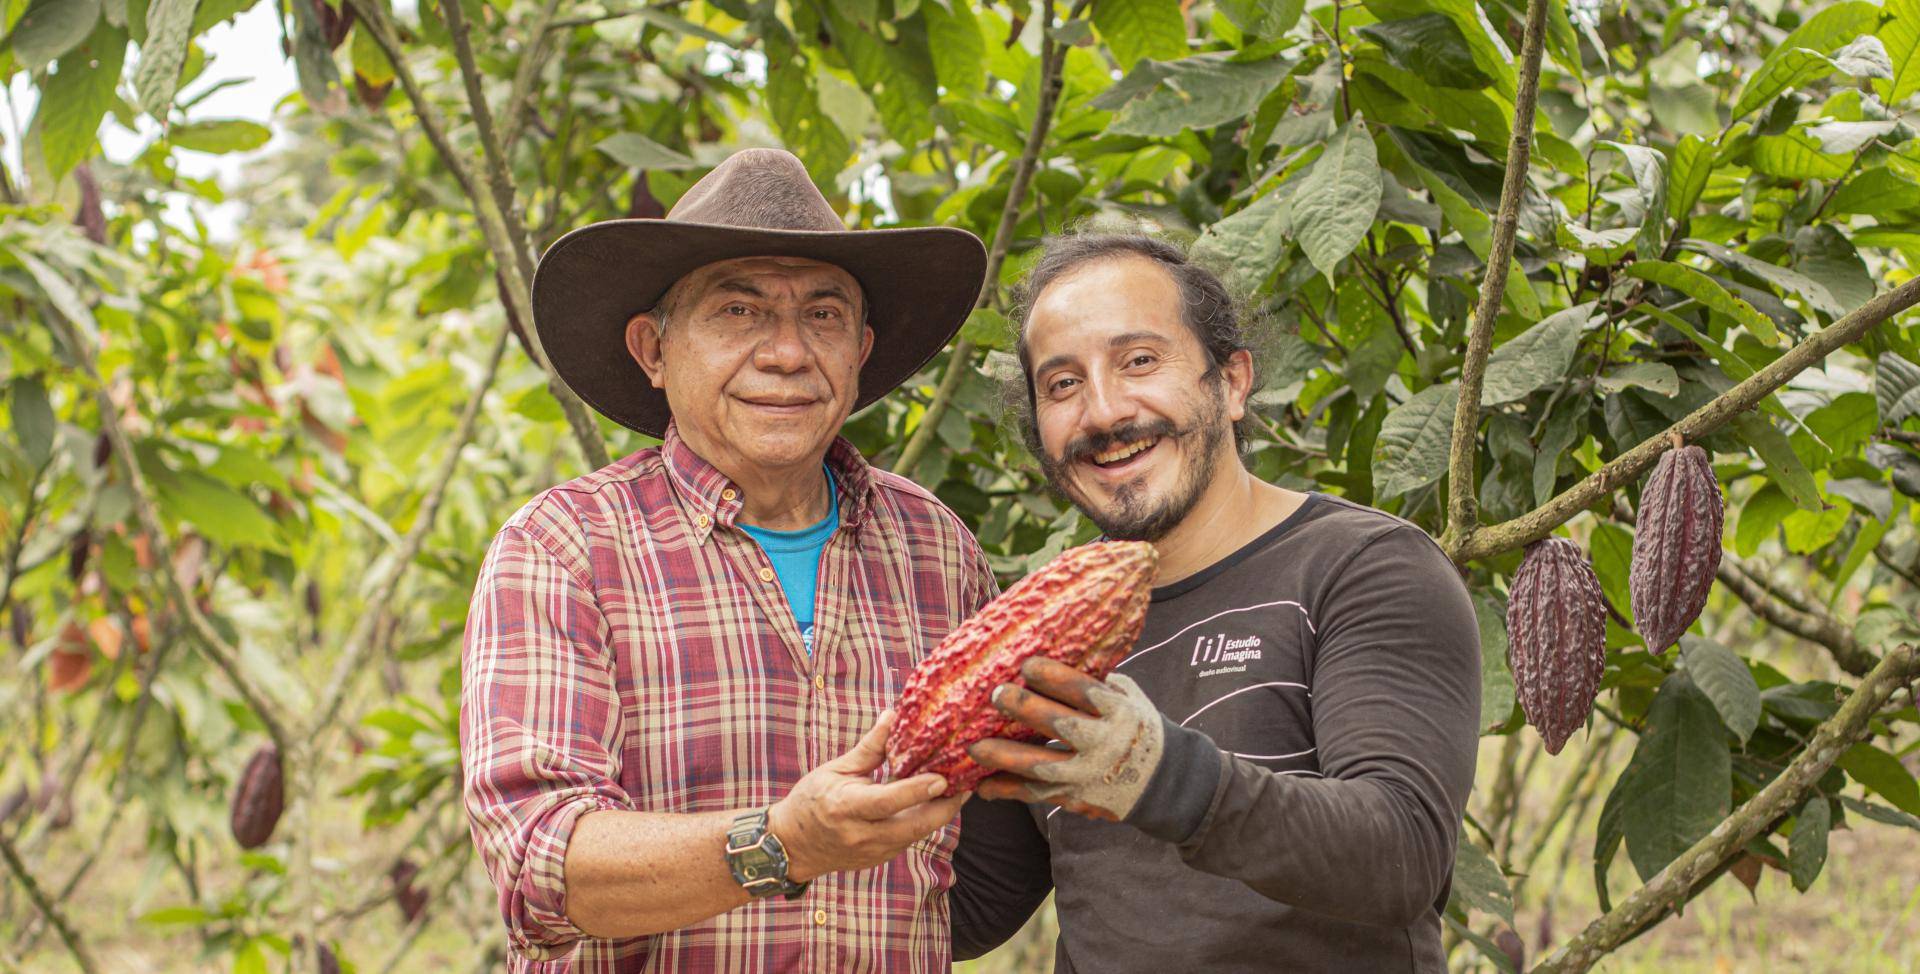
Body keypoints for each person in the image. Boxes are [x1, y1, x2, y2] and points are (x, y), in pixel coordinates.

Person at [461, 148, 997, 972]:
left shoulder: (938, 549)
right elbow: (543, 865)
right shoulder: (564, 547)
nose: (786, 353)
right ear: (653, 350)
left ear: (860, 348)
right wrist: (783, 844)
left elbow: (982, 839)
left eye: (822, 316)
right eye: (738, 311)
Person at [947, 233, 1482, 971]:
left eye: (1139, 361)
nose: (1103, 413)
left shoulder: (1363, 568)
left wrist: (1159, 776)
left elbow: (1401, 854)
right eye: (1063, 384)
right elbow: (969, 909)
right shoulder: (1048, 630)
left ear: (1232, 382)